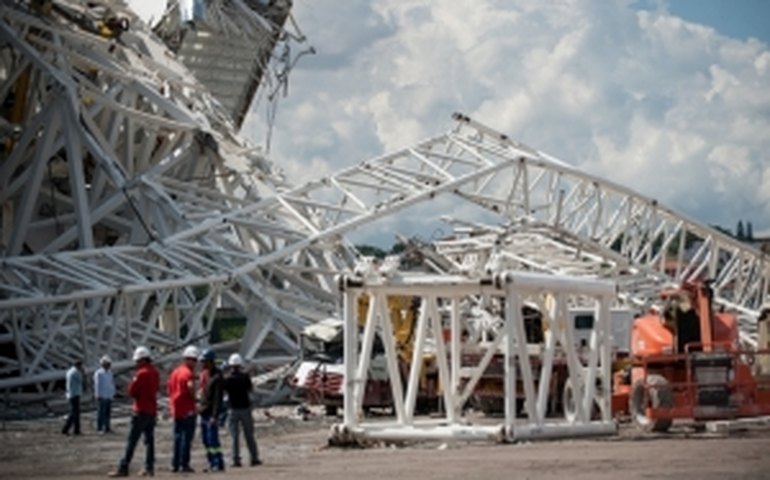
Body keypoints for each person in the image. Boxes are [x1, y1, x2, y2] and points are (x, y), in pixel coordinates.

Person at [108, 346, 160, 477]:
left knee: (132, 441)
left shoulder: (141, 374)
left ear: (142, 360)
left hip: (140, 410)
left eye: (137, 361)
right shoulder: (154, 372)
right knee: (149, 441)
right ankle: (149, 467)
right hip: (151, 410)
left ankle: (123, 467)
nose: (136, 364)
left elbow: (131, 391)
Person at [223, 353, 261, 467]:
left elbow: (224, 391)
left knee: (234, 436)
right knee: (249, 434)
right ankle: (254, 458)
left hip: (233, 409)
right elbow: (250, 389)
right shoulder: (245, 377)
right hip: (245, 408)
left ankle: (236, 459)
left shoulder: (227, 379)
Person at [168, 345, 199, 473]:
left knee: (177, 437)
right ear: (190, 359)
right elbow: (190, 386)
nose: (196, 363)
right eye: (195, 360)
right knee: (186, 438)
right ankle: (183, 464)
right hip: (187, 409)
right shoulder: (188, 373)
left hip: (176, 408)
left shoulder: (176, 372)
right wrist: (195, 398)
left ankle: (175, 464)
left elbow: (169, 388)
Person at [198, 349, 225, 472]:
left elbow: (217, 399)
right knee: (206, 440)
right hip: (204, 412)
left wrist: (215, 415)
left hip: (210, 414)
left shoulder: (217, 377)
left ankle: (217, 463)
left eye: (204, 362)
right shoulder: (206, 375)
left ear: (210, 362)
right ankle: (212, 462)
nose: (202, 364)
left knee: (212, 440)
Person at [94, 355, 115, 434]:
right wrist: (97, 394)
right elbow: (97, 385)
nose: (109, 365)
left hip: (108, 395)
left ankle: (107, 427)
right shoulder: (99, 373)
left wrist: (112, 393)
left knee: (107, 413)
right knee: (101, 413)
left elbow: (111, 384)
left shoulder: (109, 373)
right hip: (102, 395)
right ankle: (99, 428)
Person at [61, 359, 83, 436]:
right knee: (74, 413)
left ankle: (77, 429)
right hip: (75, 393)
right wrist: (83, 373)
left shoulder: (69, 371)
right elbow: (81, 380)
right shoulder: (76, 372)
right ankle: (66, 428)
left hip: (70, 393)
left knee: (76, 412)